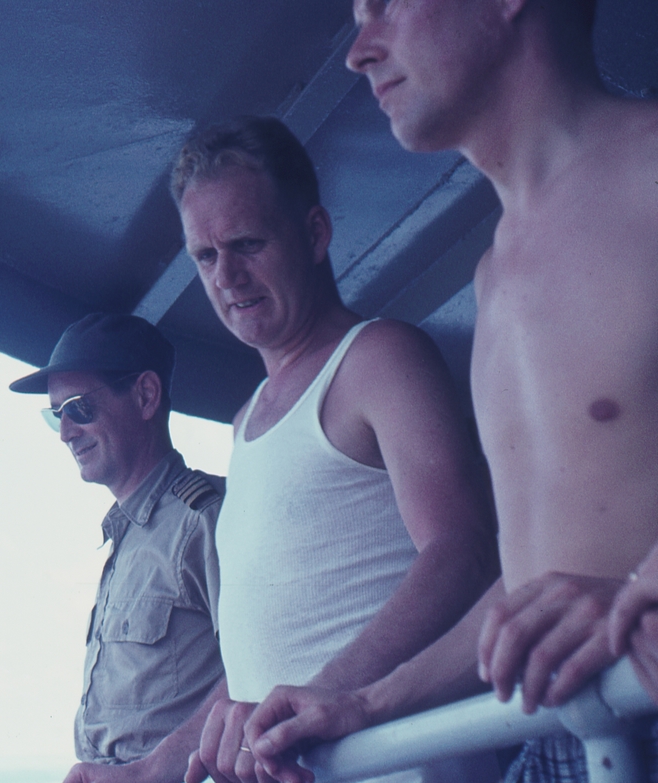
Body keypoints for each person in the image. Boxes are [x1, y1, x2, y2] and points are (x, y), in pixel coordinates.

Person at [238, 1, 658, 782]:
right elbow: (535, 586)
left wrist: (639, 591)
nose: (359, 50)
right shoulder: (495, 274)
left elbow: (614, 585)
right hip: (558, 743)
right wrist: (365, 701)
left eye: (387, 5)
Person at [170, 116, 501, 783]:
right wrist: (152, 766)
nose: (226, 275)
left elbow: (462, 551)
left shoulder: (378, 357)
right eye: (205, 256)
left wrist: (327, 698)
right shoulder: (244, 421)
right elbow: (259, 656)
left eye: (246, 243)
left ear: (315, 233)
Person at [10, 312, 227, 783]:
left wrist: (152, 772)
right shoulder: (127, 536)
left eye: (79, 408)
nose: (66, 432)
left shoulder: (205, 520)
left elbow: (263, 665)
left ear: (146, 395)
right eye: (56, 414)